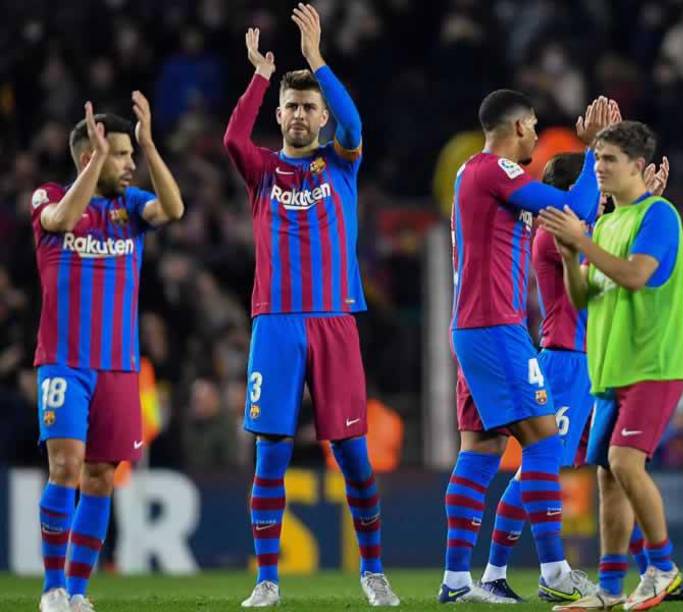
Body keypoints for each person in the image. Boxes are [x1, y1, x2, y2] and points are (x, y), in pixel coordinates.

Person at [222, 5, 398, 607]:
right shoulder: (263, 171)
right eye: (291, 107)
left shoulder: (341, 163)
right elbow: (231, 139)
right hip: (275, 324)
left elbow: (355, 124)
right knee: (270, 453)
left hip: (334, 321)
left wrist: (318, 60)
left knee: (352, 455)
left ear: (322, 117)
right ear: (281, 115)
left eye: (309, 107)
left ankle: (373, 572)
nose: (300, 115)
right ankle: (267, 580)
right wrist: (260, 76)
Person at [440, 89, 617, 604]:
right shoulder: (494, 169)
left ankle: (456, 581)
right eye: (535, 126)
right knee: (542, 442)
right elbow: (574, 206)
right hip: (495, 326)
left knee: (481, 449)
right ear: (517, 127)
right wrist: (591, 149)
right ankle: (556, 570)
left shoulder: (472, 174)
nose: (538, 136)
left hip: (478, 327)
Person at [33, 94, 184, 612]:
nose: (127, 165)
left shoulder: (131, 208)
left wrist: (149, 144)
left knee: (100, 475)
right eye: (119, 155)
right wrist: (97, 162)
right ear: (88, 155)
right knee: (66, 466)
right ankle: (52, 589)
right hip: (65, 362)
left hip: (120, 367)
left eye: (127, 156)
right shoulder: (47, 196)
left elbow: (174, 208)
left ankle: (77, 594)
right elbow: (61, 220)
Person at [540, 120, 683, 611]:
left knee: (626, 463)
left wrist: (580, 243)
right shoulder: (606, 225)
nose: (598, 168)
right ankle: (608, 591)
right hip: (610, 371)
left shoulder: (660, 216)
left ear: (640, 169)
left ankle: (663, 568)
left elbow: (634, 276)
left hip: (653, 365)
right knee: (607, 476)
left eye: (609, 160)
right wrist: (568, 256)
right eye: (597, 158)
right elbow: (582, 297)